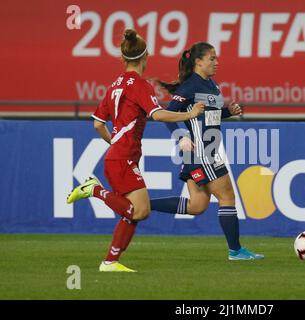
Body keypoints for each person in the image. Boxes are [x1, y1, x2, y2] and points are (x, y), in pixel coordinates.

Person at [66, 29, 204, 272]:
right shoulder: (139, 85)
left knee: (132, 213)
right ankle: (94, 190)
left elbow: (98, 123)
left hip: (119, 156)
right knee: (141, 210)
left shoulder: (114, 85)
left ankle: (110, 262)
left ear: (123, 57)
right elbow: (158, 114)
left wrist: (113, 142)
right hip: (123, 158)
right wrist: (190, 114)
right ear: (146, 56)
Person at [150, 42, 264, 260]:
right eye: (212, 58)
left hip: (205, 150)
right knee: (227, 196)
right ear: (198, 62)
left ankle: (142, 205)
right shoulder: (190, 86)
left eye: (216, 58)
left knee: (197, 205)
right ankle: (236, 251)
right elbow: (165, 115)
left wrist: (228, 112)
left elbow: (209, 117)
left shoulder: (211, 85)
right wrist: (180, 137)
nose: (216, 62)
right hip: (202, 152)